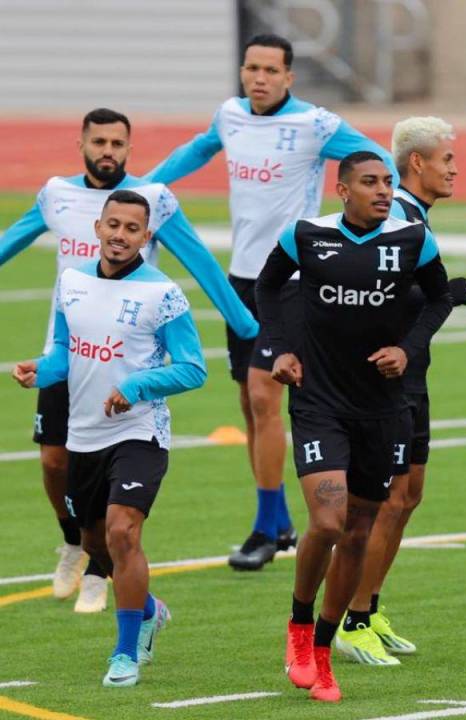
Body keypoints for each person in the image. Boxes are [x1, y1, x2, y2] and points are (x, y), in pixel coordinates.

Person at [147, 33, 399, 571]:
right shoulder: (231, 116)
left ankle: (265, 531)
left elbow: (376, 161)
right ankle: (277, 517)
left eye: (270, 70)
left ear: (289, 77)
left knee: (264, 397)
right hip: (241, 281)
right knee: (249, 402)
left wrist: (365, 225)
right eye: (251, 68)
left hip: (289, 281)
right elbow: (198, 148)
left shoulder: (315, 125)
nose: (259, 78)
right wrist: (142, 187)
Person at [0, 108, 257, 613]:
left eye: (118, 143)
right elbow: (11, 241)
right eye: (100, 142)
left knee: (112, 493)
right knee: (54, 461)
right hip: (69, 351)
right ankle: (75, 542)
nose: (108, 152)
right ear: (82, 144)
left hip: (127, 358)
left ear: (130, 150)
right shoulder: (57, 195)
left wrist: (248, 328)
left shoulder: (153, 201)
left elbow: (200, 262)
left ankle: (99, 569)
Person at [256, 151, 452, 701]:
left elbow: (439, 298)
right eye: (370, 182)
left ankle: (324, 646)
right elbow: (269, 287)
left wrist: (408, 350)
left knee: (361, 531)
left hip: (386, 409)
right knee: (327, 521)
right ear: (342, 190)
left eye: (388, 182)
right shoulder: (305, 236)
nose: (384, 191)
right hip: (319, 401)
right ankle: (298, 628)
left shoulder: (413, 240)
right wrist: (282, 348)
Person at [12, 190, 207, 687]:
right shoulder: (70, 282)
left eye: (132, 228)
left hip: (139, 432)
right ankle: (146, 607)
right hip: (83, 435)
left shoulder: (163, 294)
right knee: (96, 542)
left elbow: (193, 369)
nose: (121, 235)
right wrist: (42, 372)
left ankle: (125, 653)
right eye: (113, 225)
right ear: (97, 228)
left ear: (146, 236)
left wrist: (136, 387)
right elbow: (64, 352)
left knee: (123, 532)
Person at [336, 116, 466, 662]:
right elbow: (388, 296)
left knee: (407, 496)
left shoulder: (414, 218)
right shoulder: (394, 218)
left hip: (412, 378)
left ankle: (369, 608)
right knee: (382, 501)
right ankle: (350, 619)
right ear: (416, 163)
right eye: (447, 158)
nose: (455, 168)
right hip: (383, 383)